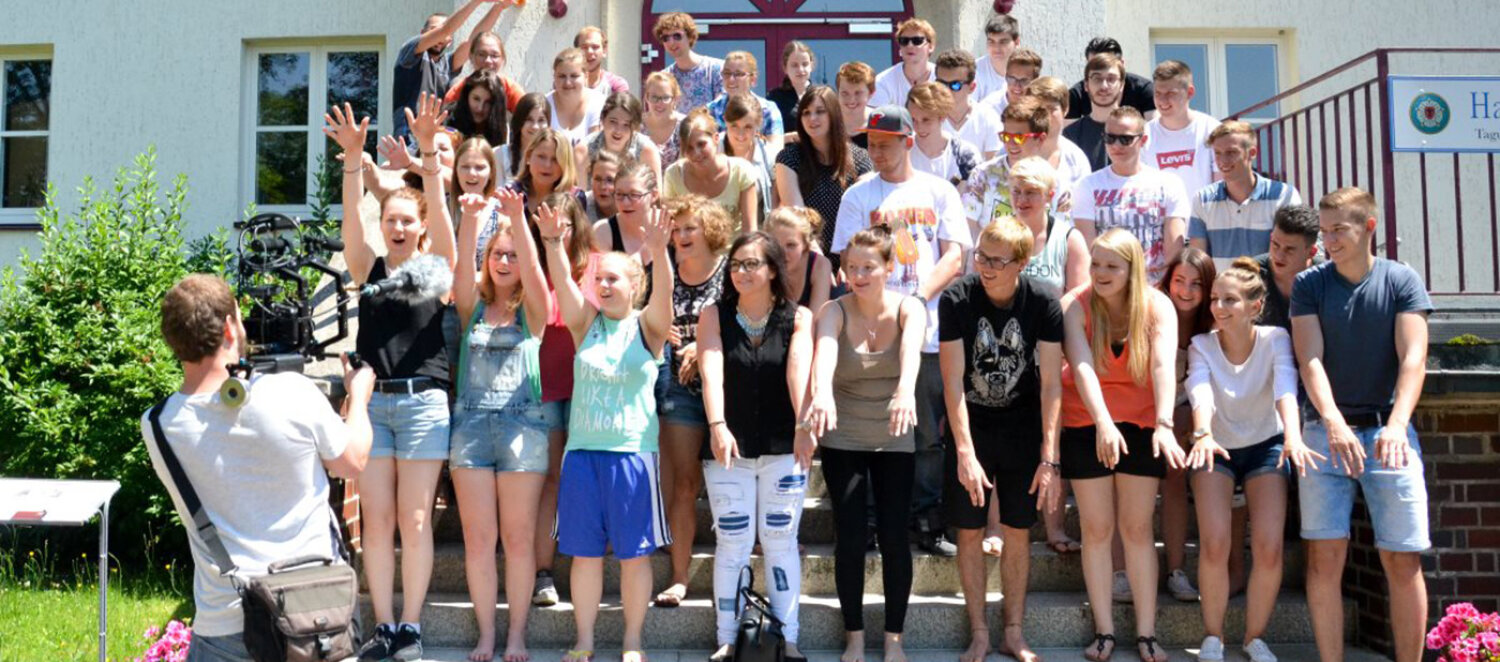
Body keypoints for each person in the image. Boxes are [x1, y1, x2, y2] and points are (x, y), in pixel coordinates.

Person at [143, 275, 374, 662]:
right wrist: (359, 397)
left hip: (224, 625)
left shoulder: (157, 425)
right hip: (314, 617)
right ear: (231, 328)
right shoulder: (292, 392)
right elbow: (353, 462)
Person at [328, 95, 459, 662]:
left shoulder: (437, 269)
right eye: (391, 221)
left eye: (408, 221)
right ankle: (383, 627)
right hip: (374, 405)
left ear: (422, 228)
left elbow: (444, 223)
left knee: (413, 519)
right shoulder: (371, 270)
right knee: (376, 524)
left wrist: (428, 154)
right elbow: (351, 227)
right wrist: (355, 163)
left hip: (425, 404)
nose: (398, 227)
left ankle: (411, 628)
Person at [1292, 187, 1433, 662]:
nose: (1328, 240)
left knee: (1402, 557)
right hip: (1323, 435)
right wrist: (1331, 421)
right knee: (1325, 558)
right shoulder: (1311, 284)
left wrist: (1396, 425)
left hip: (1386, 433)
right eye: (1324, 231)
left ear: (1368, 227)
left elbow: (1414, 357)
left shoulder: (1401, 280)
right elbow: (1309, 359)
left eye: (1339, 230)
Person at [536, 196, 674, 662]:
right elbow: (560, 280)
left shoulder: (648, 327)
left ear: (635, 286)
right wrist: (553, 241)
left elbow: (665, 299)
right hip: (582, 457)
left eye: (614, 278)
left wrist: (661, 251)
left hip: (633, 456)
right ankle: (585, 640)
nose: (605, 285)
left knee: (635, 555)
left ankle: (633, 641)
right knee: (583, 553)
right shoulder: (585, 324)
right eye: (599, 279)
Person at [832, 105, 972, 556]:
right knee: (871, 429)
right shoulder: (858, 195)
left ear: (908, 141)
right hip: (873, 334)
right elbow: (847, 259)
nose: (877, 151)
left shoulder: (938, 191)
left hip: (928, 332)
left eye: (886, 144)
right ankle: (872, 518)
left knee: (927, 434)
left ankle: (926, 517)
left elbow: (955, 257)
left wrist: (917, 297)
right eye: (871, 144)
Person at [1186, 258, 1325, 662]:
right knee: (1214, 543)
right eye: (1214, 299)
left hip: (1267, 444)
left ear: (1255, 305)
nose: (1218, 307)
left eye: (1229, 299)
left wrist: (1294, 437)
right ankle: (1213, 637)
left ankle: (1253, 638)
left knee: (1268, 548)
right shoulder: (1200, 345)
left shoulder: (1275, 338)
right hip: (1215, 445)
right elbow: (1200, 393)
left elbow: (1285, 387)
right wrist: (1203, 432)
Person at [941, 218, 1064, 662]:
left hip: (1022, 426)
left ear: (1022, 263)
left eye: (997, 260)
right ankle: (979, 632)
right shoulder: (957, 298)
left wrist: (1049, 456)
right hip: (971, 424)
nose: (986, 267)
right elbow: (952, 380)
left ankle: (1013, 630)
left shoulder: (1044, 302)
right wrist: (964, 452)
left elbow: (1052, 383)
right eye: (981, 256)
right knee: (970, 532)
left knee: (1016, 531)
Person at [1059, 229, 1184, 662]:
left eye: (1112, 265)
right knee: (1096, 529)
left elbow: (1165, 364)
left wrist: (1165, 423)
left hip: (1143, 420)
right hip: (1086, 420)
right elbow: (1080, 365)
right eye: (1095, 264)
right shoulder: (1075, 304)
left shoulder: (1156, 305)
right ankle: (1105, 631)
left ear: (1133, 268)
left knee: (1136, 528)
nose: (1100, 273)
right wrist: (1103, 423)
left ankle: (1147, 633)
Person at [804, 227, 927, 662]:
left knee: (895, 536)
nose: (858, 275)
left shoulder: (909, 307)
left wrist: (906, 390)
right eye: (851, 267)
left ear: (889, 268)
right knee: (851, 536)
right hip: (845, 432)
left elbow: (911, 353)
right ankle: (854, 633)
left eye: (869, 267)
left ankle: (894, 635)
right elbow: (824, 352)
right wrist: (820, 391)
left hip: (895, 429)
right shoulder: (835, 309)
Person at [698, 230, 816, 662]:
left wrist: (804, 423)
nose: (742, 272)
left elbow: (798, 370)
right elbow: (712, 372)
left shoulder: (797, 317)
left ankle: (788, 636)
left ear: (771, 270)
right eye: (736, 264)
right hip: (728, 444)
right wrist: (717, 424)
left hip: (784, 444)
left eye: (752, 264)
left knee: (780, 538)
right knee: (733, 541)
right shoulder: (714, 314)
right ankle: (727, 636)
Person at [449, 185, 554, 662]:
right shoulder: (472, 309)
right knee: (478, 539)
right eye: (497, 253)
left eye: (511, 254)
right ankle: (487, 635)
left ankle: (516, 636)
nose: (505, 261)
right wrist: (471, 219)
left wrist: (519, 220)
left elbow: (536, 277)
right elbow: (461, 280)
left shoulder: (531, 312)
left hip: (522, 431)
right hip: (470, 428)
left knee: (516, 538)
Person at [652, 194, 733, 608]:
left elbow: (744, 324)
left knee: (731, 482)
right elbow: (643, 317)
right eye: (677, 228)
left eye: (690, 228)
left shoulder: (730, 271)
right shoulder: (661, 269)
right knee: (683, 483)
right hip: (679, 388)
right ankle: (680, 577)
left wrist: (703, 349)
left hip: (730, 386)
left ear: (710, 230)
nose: (681, 236)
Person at [529, 191, 599, 610]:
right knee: (550, 480)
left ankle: (587, 565)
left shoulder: (595, 266)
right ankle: (543, 572)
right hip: (543, 386)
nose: (557, 229)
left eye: (565, 222)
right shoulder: (530, 265)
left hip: (589, 389)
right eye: (549, 222)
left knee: (585, 477)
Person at [1154, 248, 1218, 605]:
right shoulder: (1151, 311)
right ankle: (1127, 570)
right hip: (1146, 405)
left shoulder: (1213, 323)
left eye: (1196, 284)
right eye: (1179, 281)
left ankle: (1176, 569)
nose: (1186, 290)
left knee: (1176, 476)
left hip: (1189, 408)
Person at [1071, 106, 1190, 284]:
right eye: (1110, 138)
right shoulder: (1087, 186)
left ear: (1143, 140)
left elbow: (1174, 251)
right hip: (1107, 292)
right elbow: (1088, 251)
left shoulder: (1169, 184)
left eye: (1125, 139)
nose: (1116, 146)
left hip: (1154, 289)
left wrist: (1158, 290)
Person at [774, 85, 873, 260]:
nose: (812, 118)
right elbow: (798, 216)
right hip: (807, 257)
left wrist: (849, 260)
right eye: (806, 112)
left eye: (820, 111)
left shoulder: (861, 159)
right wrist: (820, 264)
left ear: (833, 114)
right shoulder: (788, 158)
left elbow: (864, 215)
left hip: (852, 256)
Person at [1190, 121, 1303, 269]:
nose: (1223, 161)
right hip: (1220, 291)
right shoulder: (1202, 199)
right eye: (1217, 153)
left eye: (1231, 153)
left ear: (1252, 153)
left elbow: (1292, 254)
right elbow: (1199, 264)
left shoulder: (1284, 195)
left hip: (1267, 291)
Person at [393, 0, 513, 140]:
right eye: (433, 30)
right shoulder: (409, 53)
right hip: (408, 139)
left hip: (436, 141)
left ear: (450, 40)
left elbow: (472, 42)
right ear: (423, 33)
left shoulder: (447, 64)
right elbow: (446, 29)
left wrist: (498, 8)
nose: (440, 36)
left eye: (445, 35)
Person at [962, 98, 1053, 235]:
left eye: (1018, 137)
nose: (1010, 144)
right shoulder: (982, 175)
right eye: (1005, 136)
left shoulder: (1055, 181)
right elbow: (967, 230)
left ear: (1040, 139)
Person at [663, 109, 761, 232]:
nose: (696, 153)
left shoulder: (742, 171)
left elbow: (750, 230)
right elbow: (670, 227)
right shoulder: (673, 175)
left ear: (715, 139)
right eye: (689, 148)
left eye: (701, 144)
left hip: (735, 250)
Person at [1141, 61, 1220, 197]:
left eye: (1171, 93)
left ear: (1190, 92)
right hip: (1160, 218)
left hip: (1204, 217)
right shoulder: (1144, 134)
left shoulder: (1212, 130)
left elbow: (1221, 185)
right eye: (1158, 93)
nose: (1163, 100)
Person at [705, 51, 786, 157]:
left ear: (753, 79)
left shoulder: (768, 110)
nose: (731, 79)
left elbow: (776, 152)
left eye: (738, 74)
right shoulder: (711, 110)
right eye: (727, 73)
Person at [1024, 76, 1095, 197]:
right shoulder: (1013, 149)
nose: (1045, 116)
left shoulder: (1076, 160)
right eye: (1038, 109)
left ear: (1065, 109)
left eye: (1051, 109)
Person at [1255, 205, 1321, 331]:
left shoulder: (1326, 278)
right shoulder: (1250, 273)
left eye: (1289, 249)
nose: (1279, 255)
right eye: (1275, 244)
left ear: (1311, 252)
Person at [907, 82, 980, 190]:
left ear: (942, 116)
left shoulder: (967, 154)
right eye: (913, 119)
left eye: (926, 120)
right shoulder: (901, 152)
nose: (918, 127)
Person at [577, 91, 664, 182]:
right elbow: (580, 195)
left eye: (626, 125)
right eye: (613, 122)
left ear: (635, 127)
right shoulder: (584, 151)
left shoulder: (646, 151)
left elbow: (655, 194)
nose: (618, 130)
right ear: (603, 119)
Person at [1062, 52, 1126, 171]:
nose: (1104, 86)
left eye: (1111, 79)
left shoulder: (1137, 130)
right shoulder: (1072, 134)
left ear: (1122, 85)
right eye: (1097, 79)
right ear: (1086, 85)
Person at [935, 49, 1002, 160]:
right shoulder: (926, 118)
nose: (946, 90)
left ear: (972, 87)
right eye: (941, 84)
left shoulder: (988, 118)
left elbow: (994, 167)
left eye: (955, 85)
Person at [1066, 38, 1154, 121]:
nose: (1104, 86)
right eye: (1094, 65)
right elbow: (1067, 133)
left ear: (1122, 64)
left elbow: (1154, 132)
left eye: (1107, 65)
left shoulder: (1145, 90)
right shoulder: (1075, 95)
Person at [766, 206, 834, 314]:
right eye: (776, 244)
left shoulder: (820, 265)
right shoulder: (762, 266)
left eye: (791, 245)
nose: (782, 252)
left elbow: (815, 321)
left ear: (805, 245)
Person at [653, 12, 724, 113]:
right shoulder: (664, 77)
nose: (671, 42)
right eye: (665, 38)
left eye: (677, 36)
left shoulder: (716, 69)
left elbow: (723, 104)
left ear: (690, 36)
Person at [443, 31, 527, 111]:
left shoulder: (511, 91)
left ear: (502, 59)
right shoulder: (457, 92)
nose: (488, 61)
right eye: (481, 54)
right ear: (471, 57)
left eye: (494, 56)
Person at [722, 93, 776, 214]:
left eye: (748, 127)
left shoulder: (768, 154)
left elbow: (776, 203)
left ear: (758, 125)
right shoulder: (714, 149)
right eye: (734, 126)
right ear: (725, 121)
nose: (740, 134)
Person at [869, 18, 937, 108]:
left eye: (917, 41)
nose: (909, 45)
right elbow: (875, 120)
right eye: (904, 41)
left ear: (931, 46)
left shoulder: (943, 79)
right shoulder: (883, 82)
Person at [548, 49, 604, 145]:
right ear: (554, 77)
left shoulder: (599, 103)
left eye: (574, 76)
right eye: (562, 76)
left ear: (586, 76)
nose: (567, 82)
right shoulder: (544, 105)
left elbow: (595, 149)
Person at [448, 70, 509, 149]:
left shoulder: (501, 126)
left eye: (488, 102)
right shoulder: (449, 117)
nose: (480, 108)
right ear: (466, 96)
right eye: (476, 99)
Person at [977, 48, 1041, 118]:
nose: (1017, 85)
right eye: (1012, 79)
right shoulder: (988, 109)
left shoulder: (1044, 107)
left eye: (1024, 81)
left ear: (1035, 81)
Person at [768, 41, 815, 136]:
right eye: (794, 65)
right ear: (785, 68)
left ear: (811, 65)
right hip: (787, 149)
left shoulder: (821, 95)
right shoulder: (774, 98)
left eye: (805, 64)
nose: (800, 70)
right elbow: (765, 136)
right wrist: (787, 138)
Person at [971, 14, 1021, 103]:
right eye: (991, 42)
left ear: (1017, 42)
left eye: (1003, 42)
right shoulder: (974, 71)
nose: (996, 48)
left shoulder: (1026, 70)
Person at [643, 71, 687, 165]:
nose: (659, 103)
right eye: (654, 97)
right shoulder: (636, 125)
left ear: (675, 99)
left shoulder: (685, 125)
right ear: (646, 97)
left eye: (665, 98)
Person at [504, 93, 552, 179]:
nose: (535, 126)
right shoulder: (500, 155)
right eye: (529, 120)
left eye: (541, 120)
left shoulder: (555, 158)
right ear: (519, 121)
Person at [576, 26, 631, 96]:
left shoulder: (616, 86)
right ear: (576, 51)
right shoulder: (566, 84)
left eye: (595, 47)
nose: (589, 52)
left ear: (604, 51)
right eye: (584, 47)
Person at [837, 62, 877, 149]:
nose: (851, 100)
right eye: (845, 93)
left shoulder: (881, 123)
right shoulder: (827, 123)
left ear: (871, 93)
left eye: (858, 93)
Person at [584, 150, 621, 222]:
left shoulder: (630, 209)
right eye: (598, 179)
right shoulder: (581, 205)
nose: (603, 187)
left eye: (610, 180)